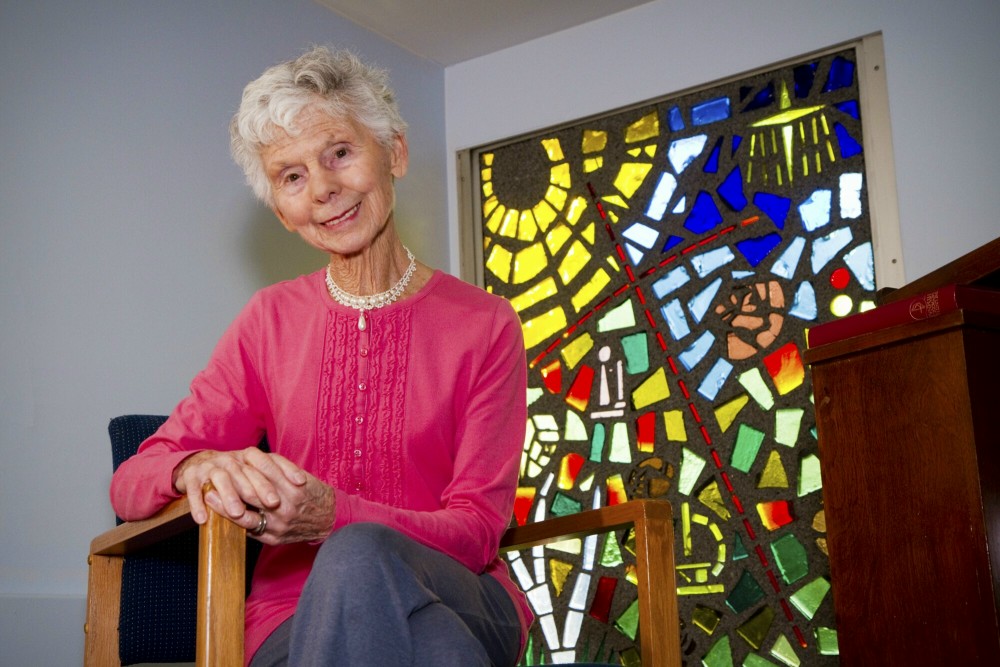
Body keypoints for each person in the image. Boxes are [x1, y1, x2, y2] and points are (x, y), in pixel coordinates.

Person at [110, 46, 530, 666]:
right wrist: (192, 468)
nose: (325, 189)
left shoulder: (486, 325)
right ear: (282, 212)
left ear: (395, 153)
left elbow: (476, 531)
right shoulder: (268, 322)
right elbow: (131, 484)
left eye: (339, 152)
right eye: (292, 176)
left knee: (361, 553)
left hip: (460, 589)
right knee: (440, 650)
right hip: (295, 617)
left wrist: (334, 519)